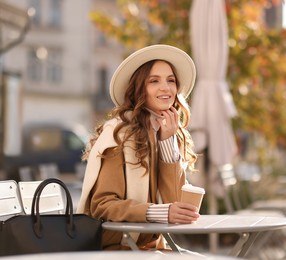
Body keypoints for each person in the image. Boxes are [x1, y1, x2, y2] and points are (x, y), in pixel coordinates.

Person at [77, 44, 200, 251]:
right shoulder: (118, 134)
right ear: (138, 89)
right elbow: (102, 205)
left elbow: (173, 201)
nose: (166, 88)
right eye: (154, 81)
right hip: (119, 248)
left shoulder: (164, 133)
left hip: (151, 247)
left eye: (171, 80)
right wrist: (159, 212)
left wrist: (167, 141)